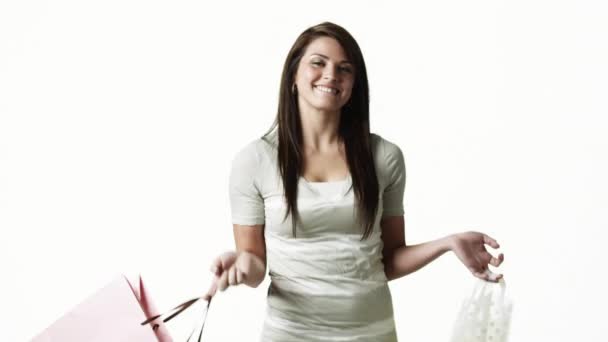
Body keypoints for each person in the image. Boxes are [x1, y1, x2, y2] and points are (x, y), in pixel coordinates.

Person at [205, 22, 505, 341]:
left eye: (344, 68)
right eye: (318, 63)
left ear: (353, 85)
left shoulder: (383, 157)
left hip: (371, 333)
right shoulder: (254, 161)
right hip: (290, 334)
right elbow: (254, 266)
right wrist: (238, 263)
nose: (331, 74)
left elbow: (388, 259)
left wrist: (447, 243)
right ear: (293, 75)